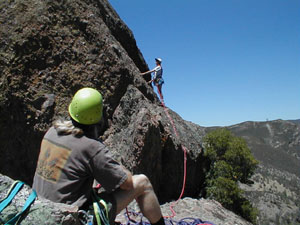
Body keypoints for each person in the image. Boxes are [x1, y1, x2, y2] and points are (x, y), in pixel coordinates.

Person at [33, 87, 165, 225]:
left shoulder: (52, 131)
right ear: (99, 117)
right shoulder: (91, 147)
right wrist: (112, 161)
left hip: (39, 210)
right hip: (67, 219)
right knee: (142, 182)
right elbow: (127, 184)